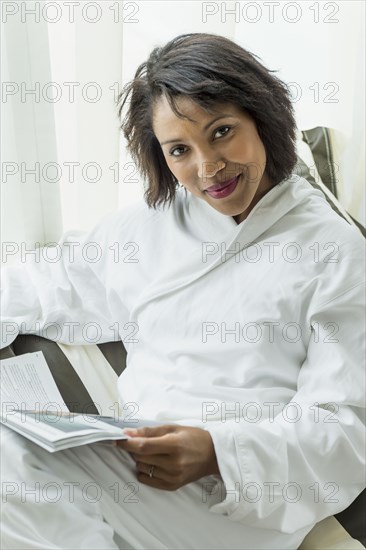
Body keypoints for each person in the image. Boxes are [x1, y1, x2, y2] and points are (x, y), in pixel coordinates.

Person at [1, 33, 365, 550]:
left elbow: (346, 431)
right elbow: (46, 284)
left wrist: (218, 450)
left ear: (262, 117)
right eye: (180, 150)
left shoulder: (335, 250)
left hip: (240, 494)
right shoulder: (150, 228)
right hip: (137, 463)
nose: (208, 167)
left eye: (222, 132)